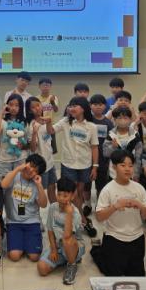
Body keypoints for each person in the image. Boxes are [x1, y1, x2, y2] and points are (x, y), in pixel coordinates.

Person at [92, 149, 146, 276]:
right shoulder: (107, 189)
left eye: (130, 165)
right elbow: (99, 217)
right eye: (123, 165)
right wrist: (115, 206)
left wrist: (139, 205)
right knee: (112, 274)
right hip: (114, 237)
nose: (127, 169)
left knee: (138, 276)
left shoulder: (139, 188)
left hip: (136, 237)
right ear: (114, 167)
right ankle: (96, 250)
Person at [47, 97, 99, 237]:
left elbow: (94, 147)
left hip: (85, 164)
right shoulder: (65, 122)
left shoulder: (91, 126)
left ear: (83, 108)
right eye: (70, 106)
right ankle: (82, 220)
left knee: (79, 193)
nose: (71, 108)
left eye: (75, 105)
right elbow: (51, 131)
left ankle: (74, 219)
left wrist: (95, 166)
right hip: (68, 164)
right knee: (73, 194)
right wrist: (48, 121)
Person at [37, 177, 85, 285]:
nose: (61, 198)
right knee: (42, 268)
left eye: (65, 196)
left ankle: (72, 264)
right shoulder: (53, 207)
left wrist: (69, 214)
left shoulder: (75, 214)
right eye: (59, 194)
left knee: (66, 240)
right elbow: (50, 231)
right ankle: (67, 259)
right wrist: (54, 250)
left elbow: (67, 236)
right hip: (59, 247)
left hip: (74, 246)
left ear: (72, 196)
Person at [1, 154, 48, 262]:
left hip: (32, 221)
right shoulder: (13, 175)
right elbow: (3, 185)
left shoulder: (36, 183)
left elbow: (43, 204)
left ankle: (32, 239)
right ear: (26, 163)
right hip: (13, 222)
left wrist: (39, 185)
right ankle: (18, 240)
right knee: (14, 256)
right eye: (31, 165)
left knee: (34, 257)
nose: (31, 170)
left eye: (35, 170)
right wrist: (17, 169)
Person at [26, 97, 57, 203]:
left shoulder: (46, 119)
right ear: (30, 110)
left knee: (52, 188)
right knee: (38, 192)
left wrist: (49, 122)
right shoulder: (32, 125)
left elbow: (50, 132)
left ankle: (54, 210)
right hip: (40, 165)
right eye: (33, 107)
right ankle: (33, 212)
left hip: (50, 161)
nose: (37, 108)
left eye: (38, 105)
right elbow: (33, 148)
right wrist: (34, 133)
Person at [0, 94, 29, 180]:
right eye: (11, 104)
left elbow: (28, 142)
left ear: (21, 107)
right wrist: (1, 114)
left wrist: (22, 146)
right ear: (7, 105)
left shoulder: (24, 122)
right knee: (3, 185)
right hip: (4, 160)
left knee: (19, 185)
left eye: (17, 105)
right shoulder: (2, 121)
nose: (13, 108)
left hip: (20, 159)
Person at [90, 94, 114, 209]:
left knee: (101, 184)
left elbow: (111, 140)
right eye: (95, 104)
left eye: (100, 104)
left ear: (105, 106)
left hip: (103, 159)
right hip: (88, 157)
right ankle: (87, 205)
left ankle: (99, 205)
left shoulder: (108, 123)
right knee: (86, 184)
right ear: (90, 106)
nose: (98, 107)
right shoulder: (88, 120)